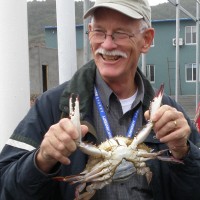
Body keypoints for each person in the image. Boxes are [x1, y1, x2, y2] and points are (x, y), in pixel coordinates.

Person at [1, 0, 200, 199]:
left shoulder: (171, 116)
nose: (107, 44)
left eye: (120, 33)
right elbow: (5, 187)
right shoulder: (53, 107)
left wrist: (184, 153)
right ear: (89, 32)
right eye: (99, 32)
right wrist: (42, 159)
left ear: (146, 40)